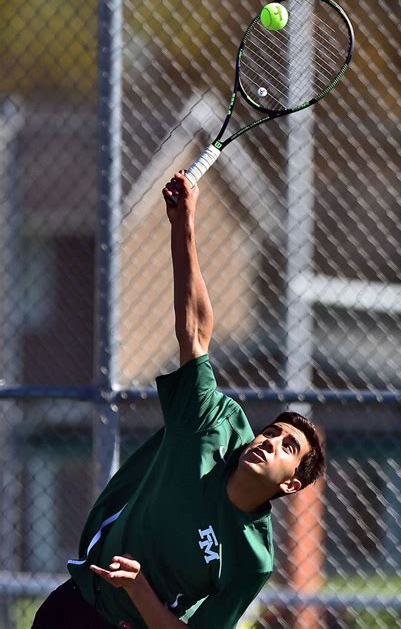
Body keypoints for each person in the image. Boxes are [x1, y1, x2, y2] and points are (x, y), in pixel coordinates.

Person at [32, 171, 325, 629]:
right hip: (77, 605)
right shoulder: (210, 425)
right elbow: (195, 331)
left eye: (288, 447)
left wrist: (140, 590)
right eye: (273, 432)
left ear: (289, 485)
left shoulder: (252, 560)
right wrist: (183, 222)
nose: (270, 441)